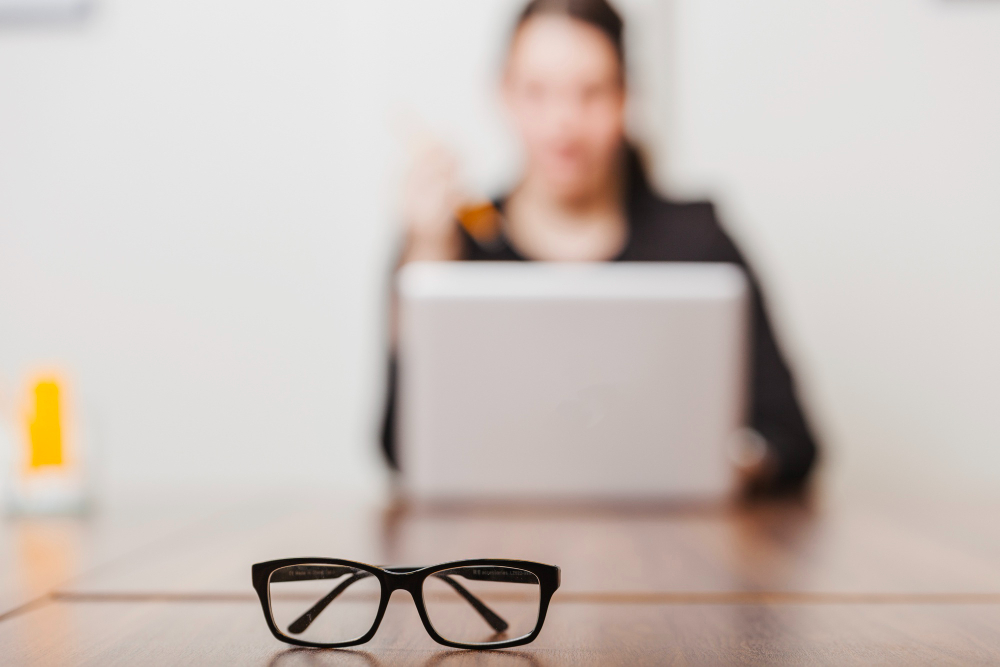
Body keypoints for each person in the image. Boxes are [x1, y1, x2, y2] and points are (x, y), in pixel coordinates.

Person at [382, 0, 818, 493]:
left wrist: (722, 465)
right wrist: (428, 260)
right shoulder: (452, 244)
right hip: (499, 547)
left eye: (590, 93)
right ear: (503, 94)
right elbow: (402, 449)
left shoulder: (699, 240)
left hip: (671, 545)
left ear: (625, 96)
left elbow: (793, 439)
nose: (563, 121)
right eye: (537, 92)